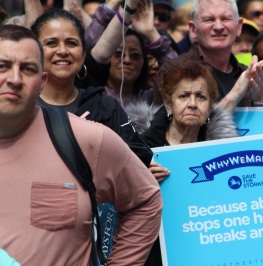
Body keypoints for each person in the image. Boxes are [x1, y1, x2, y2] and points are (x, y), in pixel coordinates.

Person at [0, 24, 162, 265]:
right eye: (2, 66)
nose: (14, 79)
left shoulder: (85, 139)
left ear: (42, 81)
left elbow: (146, 200)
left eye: (28, 69)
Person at [138, 59, 238, 266]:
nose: (192, 103)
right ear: (168, 104)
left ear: (210, 108)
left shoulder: (221, 154)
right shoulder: (141, 150)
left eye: (200, 97)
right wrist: (139, 178)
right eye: (183, 96)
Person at [31, 7, 153, 167]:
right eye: (51, 43)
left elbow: (140, 159)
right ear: (34, 52)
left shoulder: (106, 108)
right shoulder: (22, 107)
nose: (62, 51)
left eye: (71, 43)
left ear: (83, 55)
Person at [156, 0, 263, 112]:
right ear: (193, 30)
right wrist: (234, 96)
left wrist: (261, 100)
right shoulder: (174, 71)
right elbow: (166, 131)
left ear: (238, 27)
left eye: (226, 19)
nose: (218, 27)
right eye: (209, 20)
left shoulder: (251, 75)